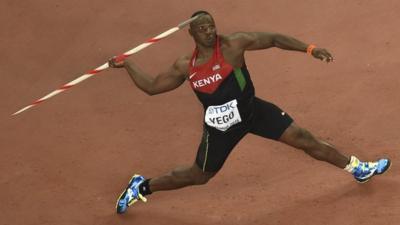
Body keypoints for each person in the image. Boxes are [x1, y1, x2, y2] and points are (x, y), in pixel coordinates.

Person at [108, 11, 391, 214]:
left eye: (211, 25)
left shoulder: (233, 45)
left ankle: (358, 168)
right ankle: (142, 187)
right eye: (203, 28)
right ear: (191, 33)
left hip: (252, 111)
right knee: (199, 176)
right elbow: (153, 87)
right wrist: (129, 65)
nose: (210, 30)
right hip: (220, 129)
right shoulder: (186, 66)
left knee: (304, 138)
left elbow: (274, 39)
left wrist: (310, 48)